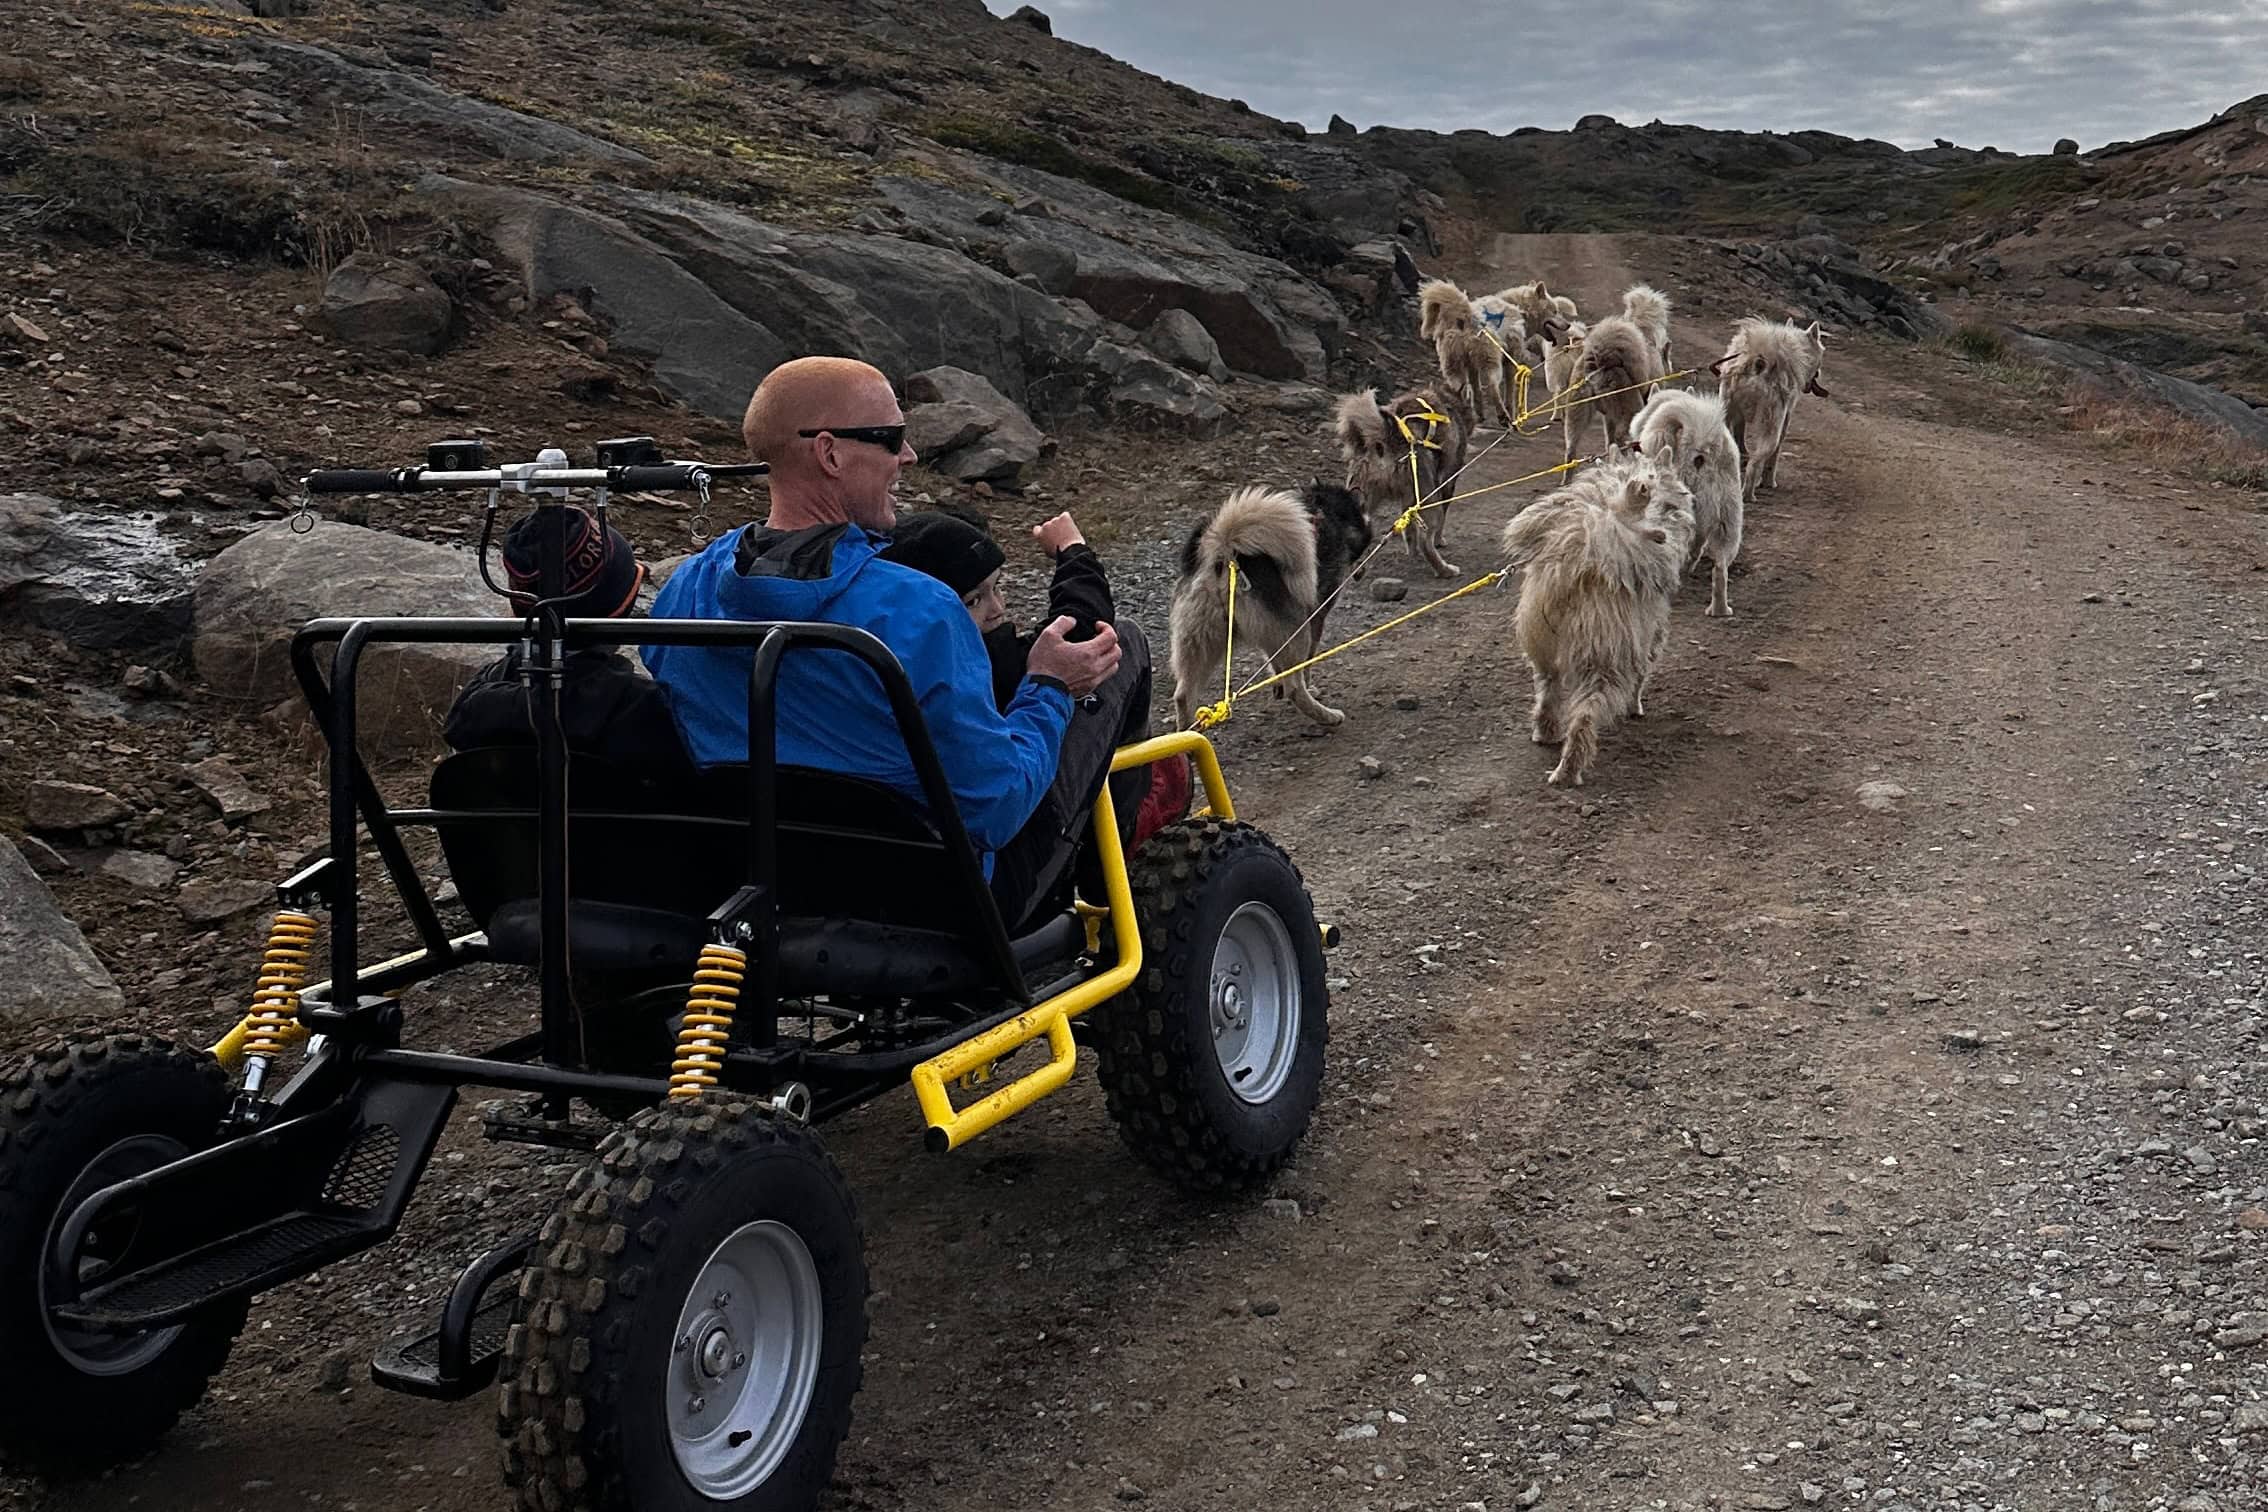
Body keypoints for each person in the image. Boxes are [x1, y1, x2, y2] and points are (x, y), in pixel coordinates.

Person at [641, 355, 1148, 931]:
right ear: (829, 453)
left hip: (761, 885)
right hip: (941, 901)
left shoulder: (684, 592)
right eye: (891, 439)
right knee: (1123, 648)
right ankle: (1123, 893)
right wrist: (1050, 687)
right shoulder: (917, 610)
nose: (907, 456)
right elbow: (995, 806)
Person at [881, 504, 1190, 853]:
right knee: (1123, 640)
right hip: (1013, 835)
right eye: (973, 600)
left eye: (997, 587)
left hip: (913, 842)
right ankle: (1125, 828)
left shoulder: (879, 652)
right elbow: (1081, 625)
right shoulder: (987, 658)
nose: (997, 607)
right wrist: (1073, 551)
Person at [442, 505, 693, 778]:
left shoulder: (471, 709)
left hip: (503, 821)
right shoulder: (646, 712)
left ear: (519, 609)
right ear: (621, 609)